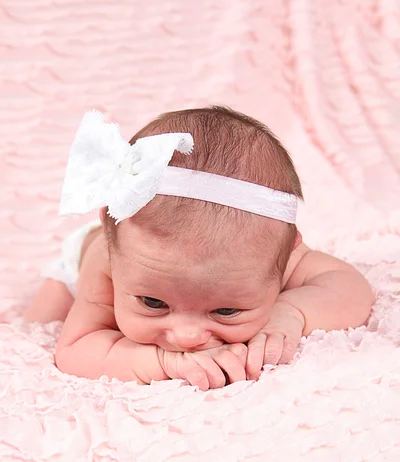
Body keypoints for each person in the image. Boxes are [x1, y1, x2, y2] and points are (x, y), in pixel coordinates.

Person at [23, 107, 375, 390]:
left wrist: (294, 312)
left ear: (285, 254)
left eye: (225, 310)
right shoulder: (108, 260)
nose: (187, 337)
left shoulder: (261, 255)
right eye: (153, 302)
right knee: (35, 331)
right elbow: (74, 351)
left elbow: (350, 287)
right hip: (78, 260)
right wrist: (163, 363)